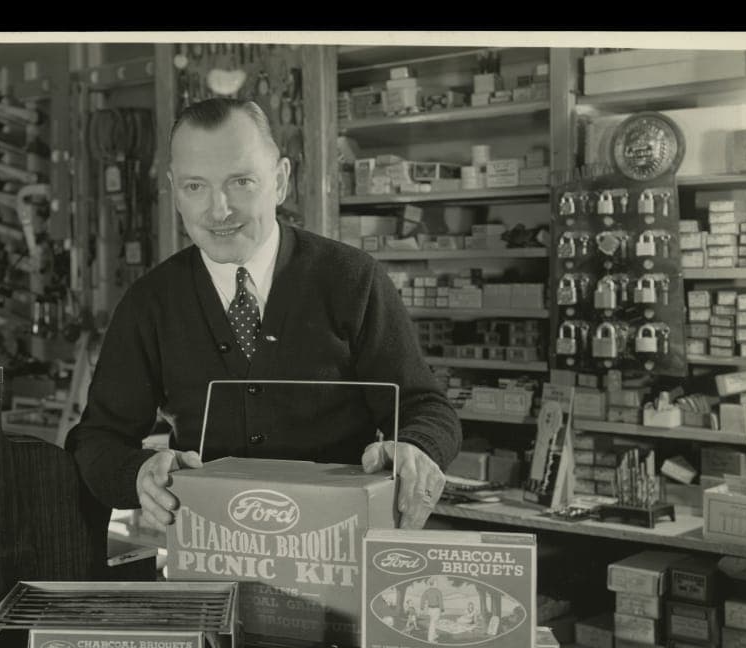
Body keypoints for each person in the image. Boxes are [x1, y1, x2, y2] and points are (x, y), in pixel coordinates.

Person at [66, 98, 461, 531]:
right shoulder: (149, 302)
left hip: (338, 550)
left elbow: (428, 409)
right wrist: (138, 474)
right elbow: (96, 440)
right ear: (173, 188)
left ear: (280, 181)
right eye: (195, 186)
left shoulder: (351, 279)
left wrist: (417, 447)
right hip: (210, 554)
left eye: (240, 182)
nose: (218, 210)